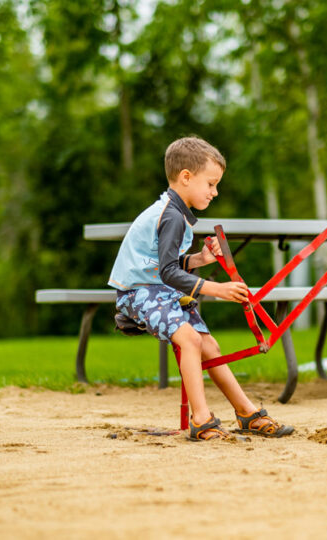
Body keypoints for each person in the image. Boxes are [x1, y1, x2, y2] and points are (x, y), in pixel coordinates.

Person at [108, 136, 294, 441]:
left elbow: (166, 263)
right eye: (210, 183)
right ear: (186, 177)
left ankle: (246, 413)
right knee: (190, 340)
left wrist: (200, 259)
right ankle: (202, 419)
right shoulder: (171, 216)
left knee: (210, 347)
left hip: (157, 287)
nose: (215, 191)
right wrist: (216, 288)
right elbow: (166, 272)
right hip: (137, 292)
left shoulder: (175, 213)